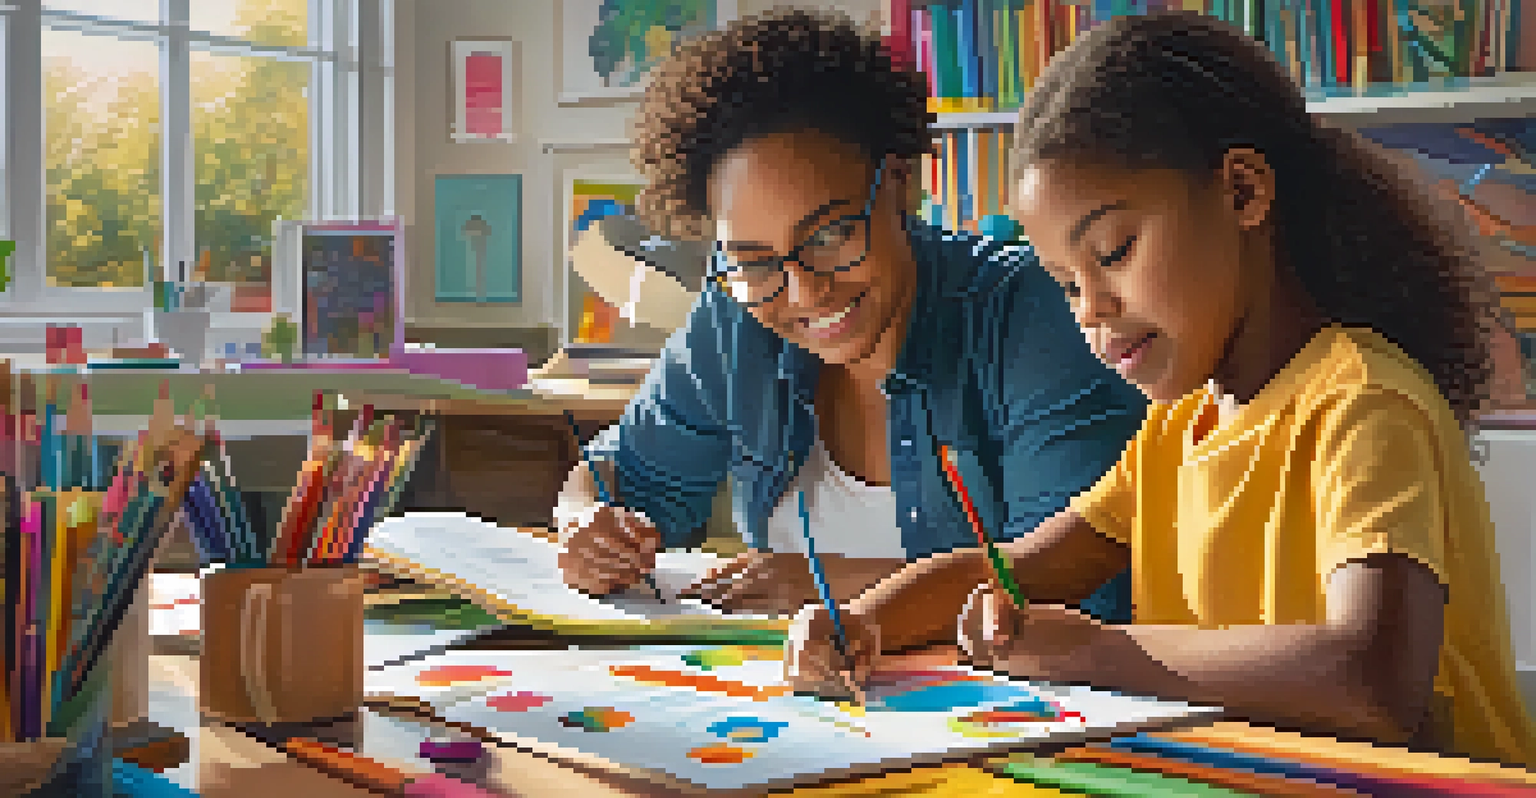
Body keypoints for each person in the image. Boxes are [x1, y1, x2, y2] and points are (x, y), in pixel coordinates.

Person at [786, 11, 1536, 767]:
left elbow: (1371, 682)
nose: (1091, 311)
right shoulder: (1178, 432)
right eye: (1065, 285)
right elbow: (1010, 569)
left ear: (1242, 191)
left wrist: (1099, 652)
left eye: (1113, 252)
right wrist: (858, 621)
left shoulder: (1364, 403)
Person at [552, 8, 1147, 623]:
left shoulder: (1029, 312)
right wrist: (583, 525)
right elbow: (623, 473)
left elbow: (1073, 581)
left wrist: (833, 588)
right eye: (755, 261)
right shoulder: (736, 316)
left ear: (895, 182)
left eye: (830, 234)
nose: (804, 291)